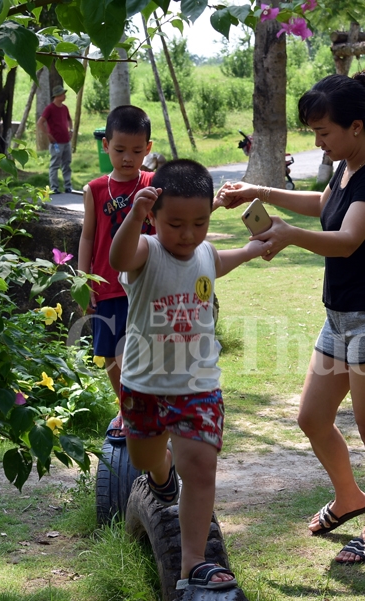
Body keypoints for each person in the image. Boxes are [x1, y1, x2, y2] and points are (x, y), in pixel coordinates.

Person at [217, 72, 365, 566]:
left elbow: (347, 240)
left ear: (355, 126)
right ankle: (349, 497)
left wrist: (286, 234)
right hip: (341, 317)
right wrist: (259, 191)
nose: (318, 142)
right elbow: (325, 206)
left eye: (323, 133)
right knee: (312, 417)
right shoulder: (347, 168)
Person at [109, 159, 267, 590]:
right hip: (144, 386)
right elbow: (117, 256)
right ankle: (161, 479)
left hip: (198, 386)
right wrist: (132, 217)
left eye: (199, 223)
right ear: (154, 216)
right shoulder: (146, 252)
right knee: (145, 461)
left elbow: (218, 262)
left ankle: (193, 563)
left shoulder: (204, 251)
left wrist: (253, 250)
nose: (187, 234)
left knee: (199, 470)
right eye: (175, 223)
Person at [78, 105, 156, 444]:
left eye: (137, 151)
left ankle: (139, 408)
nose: (128, 158)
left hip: (143, 285)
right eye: (120, 150)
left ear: (148, 149)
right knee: (109, 353)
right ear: (106, 145)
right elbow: (87, 236)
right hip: (106, 285)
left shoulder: (153, 184)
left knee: (133, 350)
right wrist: (83, 281)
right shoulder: (94, 190)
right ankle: (125, 408)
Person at [38, 85, 74, 193]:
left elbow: (69, 120)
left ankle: (68, 185)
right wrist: (47, 134)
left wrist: (71, 130)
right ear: (57, 96)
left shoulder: (65, 108)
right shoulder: (50, 108)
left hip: (66, 140)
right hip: (56, 142)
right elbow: (40, 122)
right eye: (62, 94)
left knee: (67, 163)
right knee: (55, 164)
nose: (64, 96)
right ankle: (54, 187)